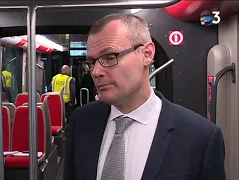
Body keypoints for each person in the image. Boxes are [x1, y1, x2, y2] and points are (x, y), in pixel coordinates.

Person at [63, 13, 226, 180]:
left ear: (147, 54)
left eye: (110, 57)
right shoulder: (82, 121)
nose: (96, 72)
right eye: (91, 63)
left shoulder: (201, 137)